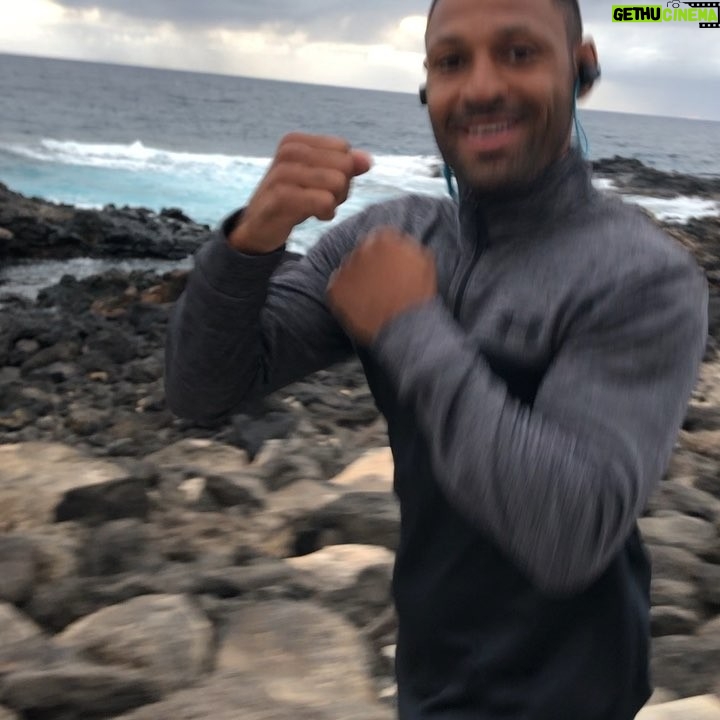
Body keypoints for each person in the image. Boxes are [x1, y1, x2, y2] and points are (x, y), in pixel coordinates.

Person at [165, 0, 708, 717]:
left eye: (519, 52)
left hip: (576, 689)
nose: (481, 87)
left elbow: (572, 534)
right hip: (430, 672)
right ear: (428, 84)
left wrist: (409, 327)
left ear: (580, 70)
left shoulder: (642, 277)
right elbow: (203, 390)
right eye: (451, 61)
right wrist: (250, 241)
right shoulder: (388, 238)